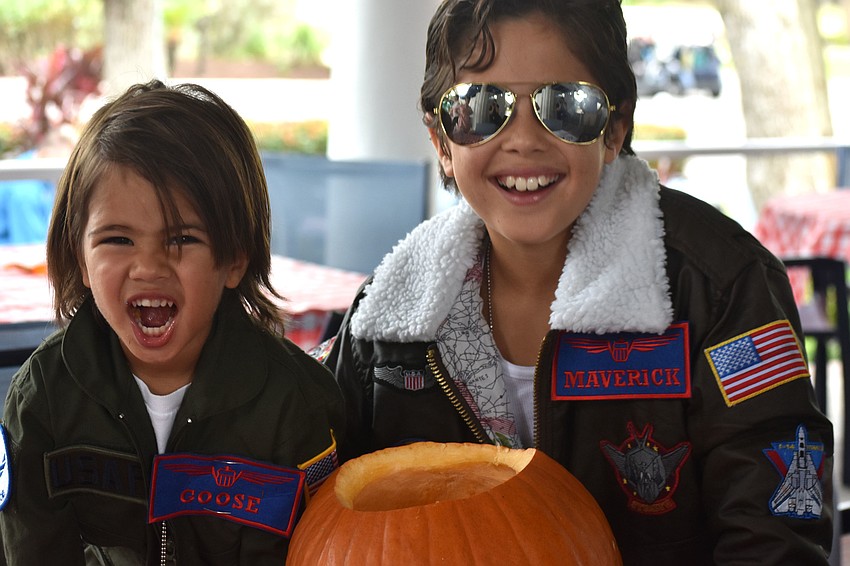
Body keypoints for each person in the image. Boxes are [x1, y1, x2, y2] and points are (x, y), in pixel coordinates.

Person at [322, 0, 835, 563]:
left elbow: (778, 527)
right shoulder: (385, 323)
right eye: (481, 106)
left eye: (565, 106)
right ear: (442, 140)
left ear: (615, 129)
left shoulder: (720, 288)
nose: (522, 140)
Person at [0, 80, 344, 565]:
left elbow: (329, 547)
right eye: (117, 240)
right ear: (79, 257)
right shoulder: (42, 402)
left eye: (181, 239)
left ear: (234, 259)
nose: (149, 266)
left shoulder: (298, 405)